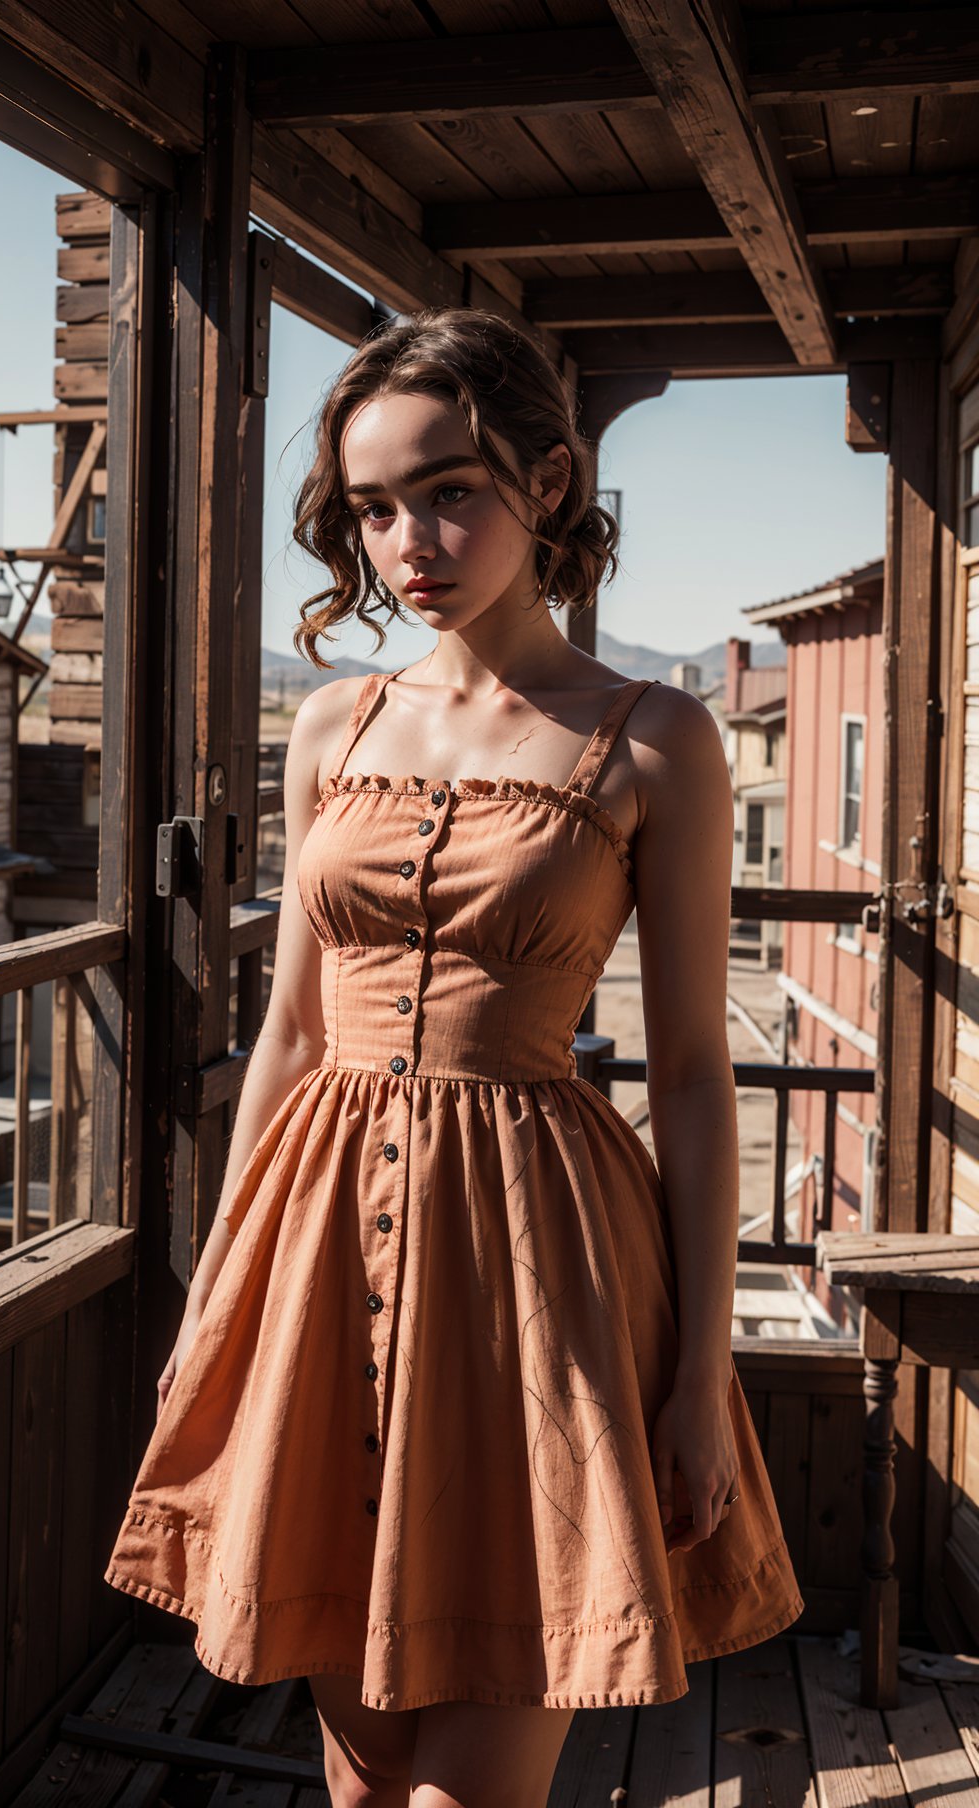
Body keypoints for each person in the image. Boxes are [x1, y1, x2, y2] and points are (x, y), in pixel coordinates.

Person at [105, 307, 804, 1808]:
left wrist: (699, 1369)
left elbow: (691, 1067)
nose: (406, 539)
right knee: (362, 1788)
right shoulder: (333, 726)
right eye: (371, 507)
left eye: (448, 489)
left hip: (536, 1269)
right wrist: (220, 1292)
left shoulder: (656, 737)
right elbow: (290, 1027)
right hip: (315, 1257)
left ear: (545, 483)